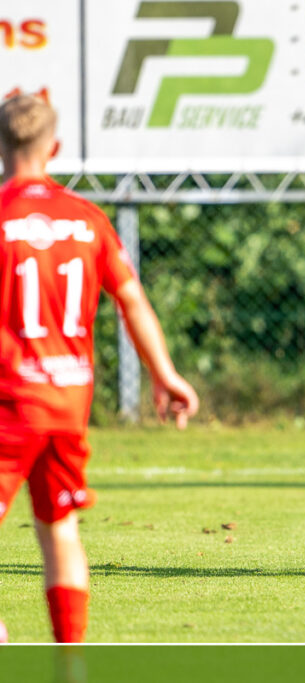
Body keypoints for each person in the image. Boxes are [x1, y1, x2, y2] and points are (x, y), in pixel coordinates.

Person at [0, 89, 199, 643]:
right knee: (59, 529)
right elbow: (131, 299)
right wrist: (164, 374)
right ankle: (72, 666)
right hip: (68, 402)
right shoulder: (88, 220)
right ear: (54, 148)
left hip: (10, 402)